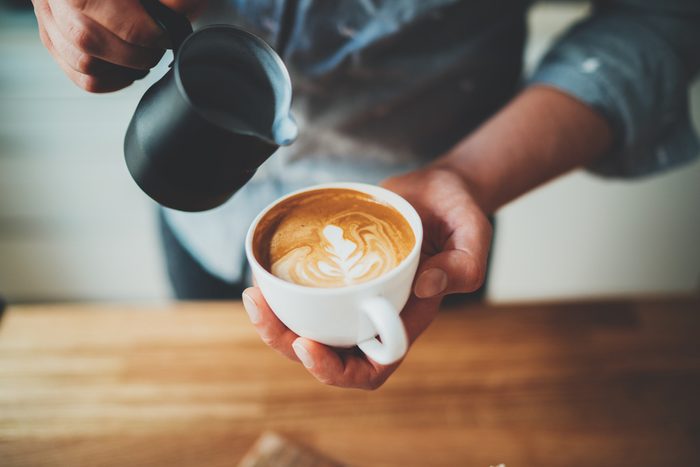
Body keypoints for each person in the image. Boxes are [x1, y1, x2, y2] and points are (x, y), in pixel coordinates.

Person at [31, 0, 699, 390]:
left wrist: (467, 175)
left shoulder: (440, 225)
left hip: (433, 228)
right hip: (205, 220)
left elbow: (661, 17)